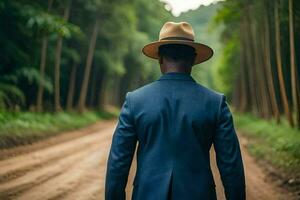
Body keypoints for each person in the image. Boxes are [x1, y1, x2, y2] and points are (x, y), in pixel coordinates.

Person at [105, 22, 245, 200]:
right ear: (193, 59)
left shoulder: (135, 101)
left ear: (160, 59)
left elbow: (118, 165)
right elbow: (231, 167)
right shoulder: (215, 103)